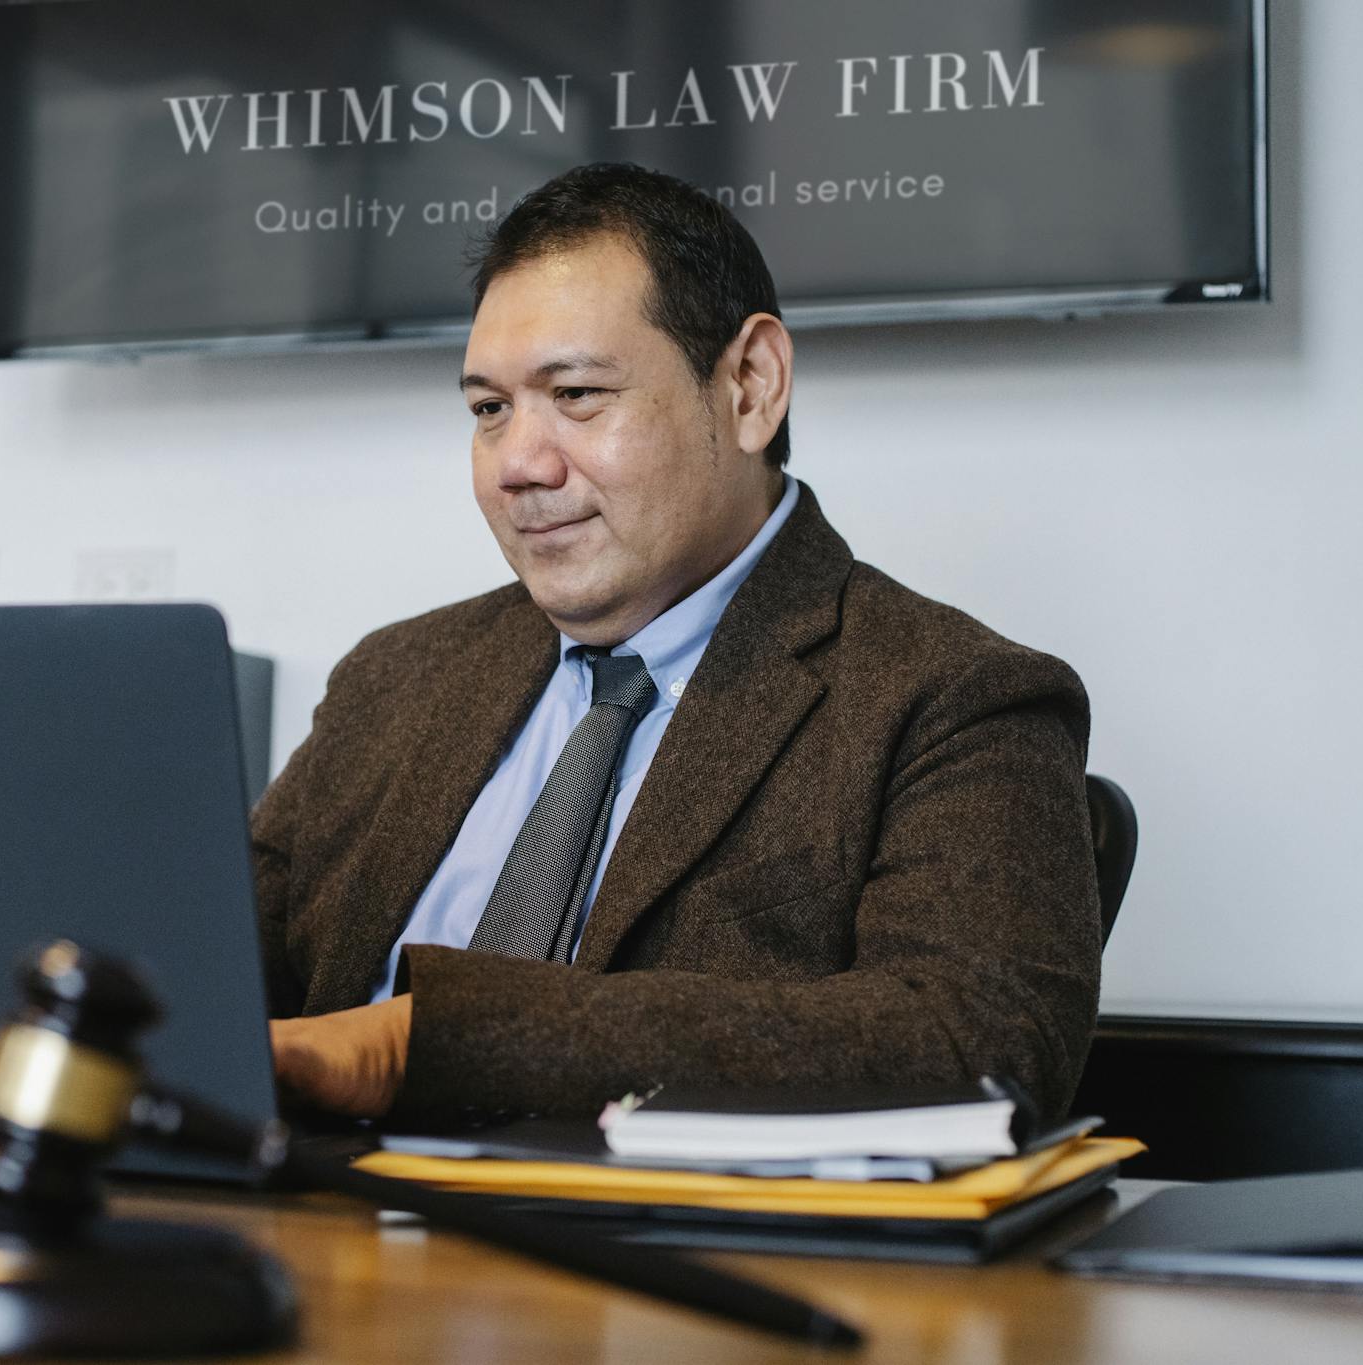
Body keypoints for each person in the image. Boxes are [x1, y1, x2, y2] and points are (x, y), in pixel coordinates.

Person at [256, 162, 1101, 1126]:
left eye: (575, 393)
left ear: (750, 387)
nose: (518, 467)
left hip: (657, 1264)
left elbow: (981, 1045)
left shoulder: (956, 697)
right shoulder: (393, 677)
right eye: (489, 409)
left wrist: (420, 1043)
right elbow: (199, 960)